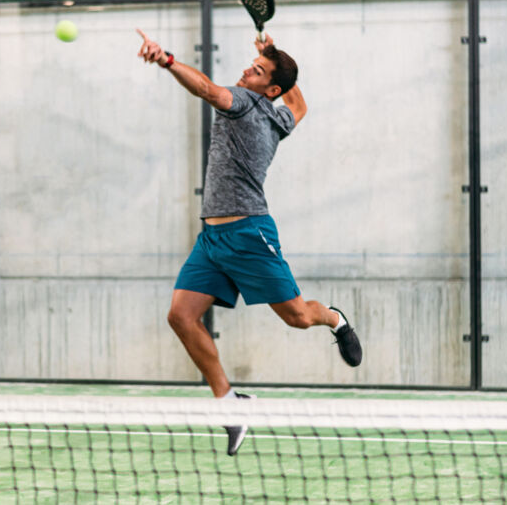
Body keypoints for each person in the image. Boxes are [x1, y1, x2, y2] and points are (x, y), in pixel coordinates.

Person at [135, 29, 363, 456]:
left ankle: (334, 319)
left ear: (269, 88)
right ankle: (229, 403)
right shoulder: (280, 117)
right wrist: (269, 55)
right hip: (213, 239)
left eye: (257, 70)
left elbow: (206, 89)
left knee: (297, 317)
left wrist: (166, 60)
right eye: (251, 65)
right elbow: (299, 102)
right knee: (182, 317)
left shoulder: (243, 103)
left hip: (250, 234)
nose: (246, 69)